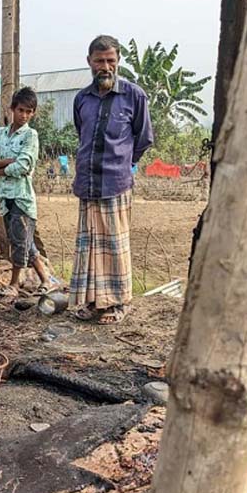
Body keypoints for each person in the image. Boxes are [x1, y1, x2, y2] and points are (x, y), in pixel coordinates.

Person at [70, 35, 153, 325]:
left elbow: (143, 139)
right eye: (99, 61)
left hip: (115, 183)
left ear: (117, 62)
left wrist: (124, 163)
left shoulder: (134, 95)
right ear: (89, 62)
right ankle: (94, 303)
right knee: (90, 245)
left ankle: (118, 304)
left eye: (110, 61)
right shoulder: (82, 99)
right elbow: (82, 135)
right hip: (87, 183)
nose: (105, 67)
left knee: (115, 246)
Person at [0, 87, 51, 298]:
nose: (24, 115)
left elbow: (23, 166)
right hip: (5, 198)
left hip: (21, 198)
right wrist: (6, 163)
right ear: (12, 109)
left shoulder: (31, 135)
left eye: (29, 111)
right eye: (21, 110)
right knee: (23, 241)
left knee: (21, 242)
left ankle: (14, 284)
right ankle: (47, 280)